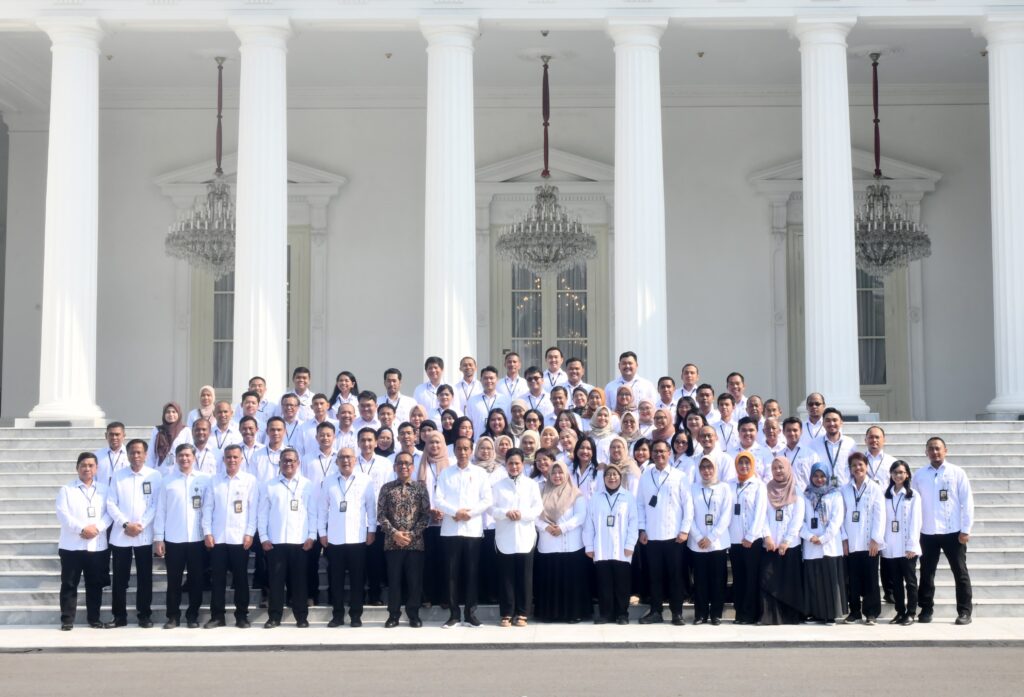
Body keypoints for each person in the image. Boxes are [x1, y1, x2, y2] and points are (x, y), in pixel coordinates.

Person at [435, 437, 493, 627]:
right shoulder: (445, 473)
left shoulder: (480, 473)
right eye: (459, 448)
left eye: (466, 448)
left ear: (471, 450)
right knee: (451, 574)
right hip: (450, 530)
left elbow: (487, 500)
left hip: (472, 530)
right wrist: (455, 512)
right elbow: (438, 499)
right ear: (455, 450)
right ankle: (453, 614)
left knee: (471, 573)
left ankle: (470, 614)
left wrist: (469, 514)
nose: (462, 452)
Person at [916, 436, 974, 625]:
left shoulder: (957, 473)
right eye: (931, 449)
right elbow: (913, 504)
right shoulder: (919, 475)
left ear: (945, 450)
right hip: (927, 532)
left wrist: (966, 529)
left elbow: (967, 502)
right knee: (926, 573)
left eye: (938, 448)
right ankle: (925, 609)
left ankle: (964, 611)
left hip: (953, 532)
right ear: (926, 452)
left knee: (960, 572)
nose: (935, 452)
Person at [318, 447, 378, 627]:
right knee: (335, 579)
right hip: (335, 539)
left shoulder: (365, 480)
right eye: (342, 457)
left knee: (357, 580)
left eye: (349, 457)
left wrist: (372, 530)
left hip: (357, 538)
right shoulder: (328, 481)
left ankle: (355, 615)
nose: (346, 460)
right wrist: (322, 532)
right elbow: (322, 509)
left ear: (355, 460)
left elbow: (371, 508)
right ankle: (337, 615)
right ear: (336, 461)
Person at [258, 447, 317, 628]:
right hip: (275, 542)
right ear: (279, 463)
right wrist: (264, 537)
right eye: (285, 460)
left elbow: (313, 513)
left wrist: (311, 536)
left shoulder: (307, 485)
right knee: (275, 582)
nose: (288, 463)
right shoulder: (270, 485)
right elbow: (262, 514)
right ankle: (274, 616)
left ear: (298, 463)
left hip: (300, 542)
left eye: (292, 460)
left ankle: (301, 617)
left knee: (299, 581)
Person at [154, 443, 211, 628]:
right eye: (181, 455)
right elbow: (161, 511)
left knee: (196, 580)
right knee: (174, 580)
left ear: (194, 457)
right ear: (176, 458)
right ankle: (173, 616)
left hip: (197, 539)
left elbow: (209, 509)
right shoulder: (167, 481)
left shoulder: (204, 479)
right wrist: (158, 537)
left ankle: (192, 615)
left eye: (188, 455)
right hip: (174, 538)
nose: (184, 459)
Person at [106, 439, 161, 628]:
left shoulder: (154, 476)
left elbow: (156, 504)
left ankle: (144, 615)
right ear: (127, 454)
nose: (136, 456)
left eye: (139, 452)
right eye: (132, 452)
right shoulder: (118, 475)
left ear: (146, 455)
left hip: (143, 536)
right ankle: (119, 616)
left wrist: (141, 525)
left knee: (145, 578)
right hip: (121, 536)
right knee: (120, 579)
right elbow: (111, 503)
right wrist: (125, 524)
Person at [56, 453, 114, 630]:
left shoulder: (105, 489)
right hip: (72, 545)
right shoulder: (66, 490)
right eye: (83, 465)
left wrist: (96, 529)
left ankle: (94, 619)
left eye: (90, 465)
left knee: (95, 584)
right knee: (69, 583)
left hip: (97, 545)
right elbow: (63, 514)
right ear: (77, 468)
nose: (87, 469)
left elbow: (110, 513)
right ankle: (67, 620)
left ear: (96, 469)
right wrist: (82, 529)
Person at [202, 444, 258, 628]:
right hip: (218, 538)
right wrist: (207, 532)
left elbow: (253, 510)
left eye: (235, 457)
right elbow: (208, 508)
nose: (232, 460)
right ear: (223, 459)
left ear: (241, 459)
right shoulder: (214, 481)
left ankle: (241, 615)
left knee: (240, 579)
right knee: (217, 579)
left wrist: (250, 533)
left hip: (239, 538)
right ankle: (217, 615)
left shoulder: (249, 480)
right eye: (228, 457)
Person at [637, 440, 692, 625]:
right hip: (651, 536)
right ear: (651, 454)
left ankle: (677, 613)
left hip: (674, 536)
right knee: (654, 577)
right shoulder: (645, 475)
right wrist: (642, 528)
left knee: (675, 576)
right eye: (656, 452)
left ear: (669, 453)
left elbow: (688, 505)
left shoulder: (680, 476)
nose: (659, 455)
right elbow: (640, 504)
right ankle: (655, 611)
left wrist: (684, 530)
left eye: (662, 451)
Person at [534, 456, 590, 623]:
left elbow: (581, 516)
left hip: (571, 545)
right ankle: (549, 614)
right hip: (548, 544)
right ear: (549, 475)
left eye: (560, 472)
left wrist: (563, 528)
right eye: (554, 472)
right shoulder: (541, 491)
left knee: (571, 582)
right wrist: (546, 527)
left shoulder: (575, 493)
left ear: (566, 474)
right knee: (550, 581)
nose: (557, 476)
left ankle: (573, 614)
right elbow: (535, 515)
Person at [378, 452, 431, 628]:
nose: (404, 466)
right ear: (394, 467)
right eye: (400, 463)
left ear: (413, 467)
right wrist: (394, 534)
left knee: (414, 581)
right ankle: (393, 615)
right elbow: (380, 515)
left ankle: (413, 615)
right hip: (392, 543)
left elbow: (425, 516)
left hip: (415, 544)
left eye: (407, 463)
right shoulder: (386, 488)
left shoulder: (420, 488)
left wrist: (411, 535)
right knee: (394, 581)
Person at [491, 448, 543, 627]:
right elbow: (492, 509)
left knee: (524, 576)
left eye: (517, 463)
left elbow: (537, 508)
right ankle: (506, 612)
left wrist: (522, 514)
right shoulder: (498, 486)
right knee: (506, 576)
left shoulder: (531, 484)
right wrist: (506, 512)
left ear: (523, 464)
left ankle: (522, 613)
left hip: (525, 535)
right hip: (505, 535)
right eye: (510, 463)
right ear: (505, 465)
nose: (514, 466)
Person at [584, 463, 639, 625]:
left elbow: (633, 523)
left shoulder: (628, 497)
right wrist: (589, 546)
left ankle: (622, 614)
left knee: (622, 584)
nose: (612, 478)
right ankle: (606, 614)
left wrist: (630, 544)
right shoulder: (596, 498)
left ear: (620, 478)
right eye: (608, 475)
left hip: (622, 548)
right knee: (604, 583)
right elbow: (589, 524)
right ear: (604, 478)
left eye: (615, 475)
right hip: (601, 547)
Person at [840, 451, 886, 625]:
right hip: (851, 541)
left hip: (869, 543)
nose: (857, 468)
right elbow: (841, 516)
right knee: (852, 579)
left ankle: (871, 612)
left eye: (860, 464)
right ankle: (855, 612)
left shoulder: (875, 488)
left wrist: (876, 539)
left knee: (870, 579)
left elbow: (880, 515)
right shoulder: (844, 489)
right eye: (854, 465)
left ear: (866, 467)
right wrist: (844, 539)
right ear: (850, 469)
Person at [760, 456, 806, 625]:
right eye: (775, 468)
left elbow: (798, 518)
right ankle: (771, 617)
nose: (778, 471)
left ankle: (790, 616)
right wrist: (767, 536)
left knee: (789, 581)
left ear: (788, 468)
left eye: (781, 468)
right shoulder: (766, 489)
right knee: (768, 579)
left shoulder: (796, 490)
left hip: (790, 546)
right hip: (770, 545)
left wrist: (786, 541)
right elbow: (762, 515)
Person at [688, 457, 733, 625]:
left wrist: (712, 537)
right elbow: (689, 514)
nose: (707, 471)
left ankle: (716, 614)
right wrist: (699, 537)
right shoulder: (693, 488)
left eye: (710, 467)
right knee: (700, 580)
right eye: (703, 467)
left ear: (716, 469)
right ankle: (700, 614)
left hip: (718, 543)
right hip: (697, 543)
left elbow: (726, 515)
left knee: (717, 580)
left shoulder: (724, 488)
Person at [800, 462, 846, 625]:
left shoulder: (835, 494)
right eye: (816, 476)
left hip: (829, 544)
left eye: (822, 476)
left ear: (827, 477)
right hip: (811, 544)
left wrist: (824, 538)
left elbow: (837, 519)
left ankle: (830, 614)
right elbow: (800, 519)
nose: (819, 479)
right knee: (813, 580)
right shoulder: (804, 495)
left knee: (829, 581)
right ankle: (814, 613)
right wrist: (809, 536)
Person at [729, 451, 768, 625]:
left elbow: (760, 513)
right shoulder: (729, 485)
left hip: (752, 541)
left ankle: (750, 614)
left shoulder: (759, 485)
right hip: (734, 539)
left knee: (751, 578)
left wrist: (751, 536)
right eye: (741, 463)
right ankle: (740, 613)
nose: (744, 466)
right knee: (739, 578)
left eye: (747, 463)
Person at [883, 460, 922, 626]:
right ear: (891, 475)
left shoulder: (913, 495)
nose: (898, 475)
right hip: (891, 545)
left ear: (907, 475)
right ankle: (900, 611)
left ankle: (911, 612)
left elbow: (916, 521)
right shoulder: (886, 494)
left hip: (907, 546)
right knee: (896, 582)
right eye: (895, 472)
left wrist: (912, 544)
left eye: (901, 472)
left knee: (910, 581)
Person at [811, 408, 856, 488]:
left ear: (841, 422)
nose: (831, 423)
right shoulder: (814, 444)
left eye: (835, 420)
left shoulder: (850, 443)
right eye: (828, 420)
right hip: (823, 490)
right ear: (823, 423)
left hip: (846, 489)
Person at [147, 401, 192, 473]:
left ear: (179, 414)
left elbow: (190, 452)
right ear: (164, 414)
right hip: (160, 470)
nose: (171, 414)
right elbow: (151, 453)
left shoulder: (185, 430)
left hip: (178, 470)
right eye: (168, 412)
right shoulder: (157, 430)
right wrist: (149, 471)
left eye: (174, 412)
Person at [781, 417, 820, 491]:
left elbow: (817, 476)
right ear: (783, 432)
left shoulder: (811, 454)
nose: (792, 433)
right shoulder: (779, 455)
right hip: (784, 496)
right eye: (788, 430)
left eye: (795, 430)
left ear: (801, 431)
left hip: (806, 496)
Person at [95, 421, 128, 486]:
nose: (114, 437)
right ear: (106, 436)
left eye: (117, 434)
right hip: (102, 494)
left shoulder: (130, 455)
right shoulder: (97, 455)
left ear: (124, 436)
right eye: (111, 434)